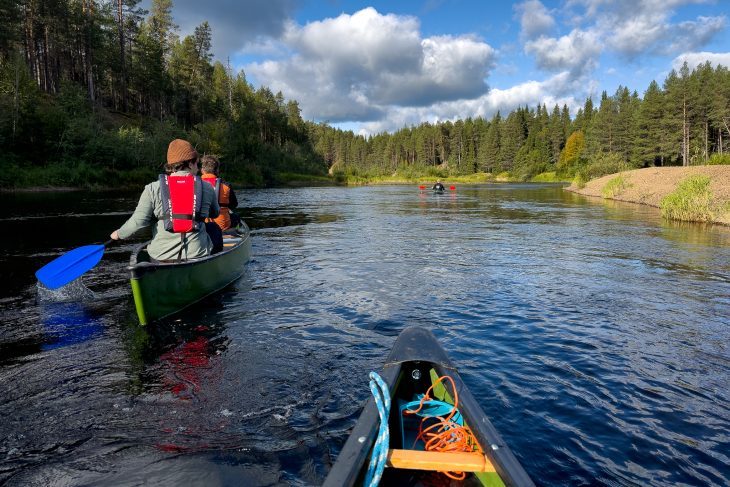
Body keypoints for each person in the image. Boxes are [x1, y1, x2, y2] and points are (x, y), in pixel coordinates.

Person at [110, 139, 220, 260]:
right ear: (190, 164)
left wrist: (119, 234)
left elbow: (138, 222)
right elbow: (215, 213)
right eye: (197, 164)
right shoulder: (207, 187)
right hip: (197, 253)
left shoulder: (152, 188)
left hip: (160, 254)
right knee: (213, 228)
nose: (198, 169)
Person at [199, 154, 239, 232]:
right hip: (223, 226)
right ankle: (236, 230)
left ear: (202, 170)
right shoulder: (226, 186)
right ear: (217, 170)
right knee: (236, 217)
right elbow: (234, 205)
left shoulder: (194, 185)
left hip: (201, 226)